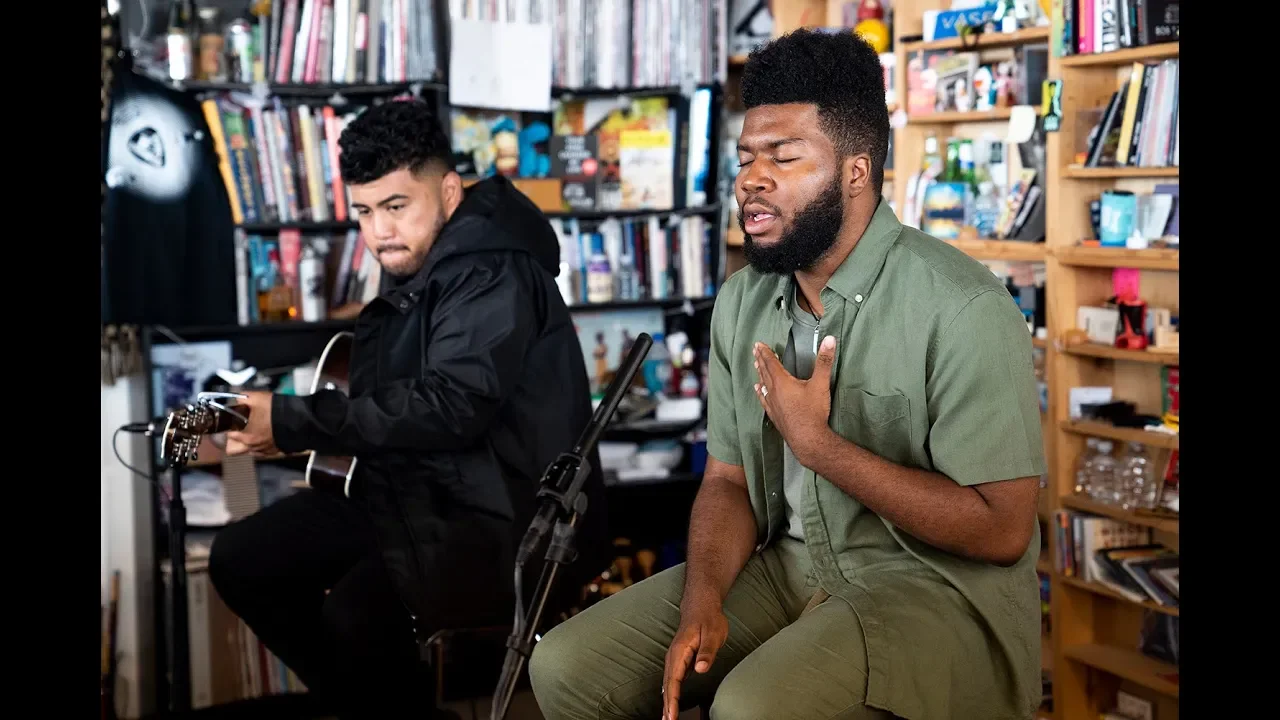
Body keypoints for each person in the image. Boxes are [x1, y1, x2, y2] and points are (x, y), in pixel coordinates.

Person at [529, 29, 1045, 720]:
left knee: (750, 708)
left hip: (928, 585)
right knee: (564, 667)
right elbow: (727, 480)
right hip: (785, 566)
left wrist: (821, 448)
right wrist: (704, 600)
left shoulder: (963, 306)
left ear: (856, 172)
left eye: (783, 156)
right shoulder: (744, 301)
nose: (751, 179)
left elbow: (1003, 530)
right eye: (746, 158)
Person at [208, 99, 606, 719]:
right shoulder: (424, 253)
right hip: (415, 487)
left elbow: (451, 405)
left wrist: (289, 421)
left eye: (395, 207)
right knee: (241, 559)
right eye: (363, 212)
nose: (377, 233)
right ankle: (379, 708)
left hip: (498, 516)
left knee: (354, 615)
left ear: (448, 191)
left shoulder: (489, 266)